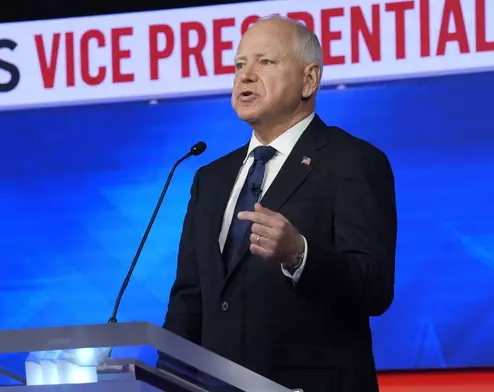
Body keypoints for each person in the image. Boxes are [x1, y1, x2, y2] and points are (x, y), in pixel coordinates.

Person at [162, 15, 397, 392]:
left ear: (309, 80)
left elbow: (375, 287)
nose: (246, 76)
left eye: (265, 62)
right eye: (239, 64)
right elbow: (190, 297)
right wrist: (168, 380)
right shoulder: (210, 177)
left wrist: (300, 255)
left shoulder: (352, 161)